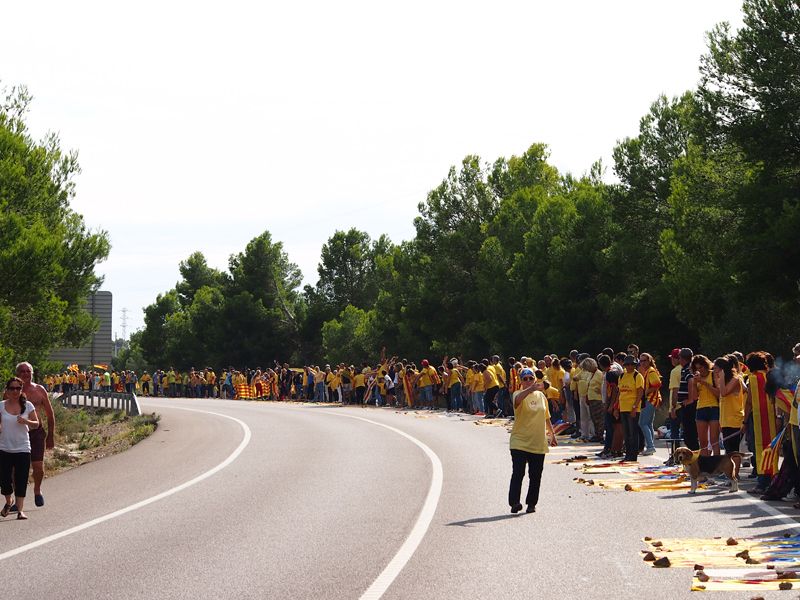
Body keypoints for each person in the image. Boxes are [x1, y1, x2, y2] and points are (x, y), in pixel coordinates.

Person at [508, 368, 557, 514]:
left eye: (531, 378)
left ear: (535, 379)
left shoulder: (541, 396)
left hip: (537, 441)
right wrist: (529, 390)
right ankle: (514, 502)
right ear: (521, 381)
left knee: (535, 475)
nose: (528, 381)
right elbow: (517, 402)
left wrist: (552, 434)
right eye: (525, 379)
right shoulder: (518, 394)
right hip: (520, 441)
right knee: (518, 473)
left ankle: (531, 503)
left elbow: (546, 416)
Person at [1, 377, 40, 520]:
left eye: (18, 388)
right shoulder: (1, 406)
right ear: (7, 390)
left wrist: (26, 421)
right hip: (4, 448)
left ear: (21, 390)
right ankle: (8, 501)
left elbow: (36, 424)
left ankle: (20, 510)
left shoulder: (28, 406)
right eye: (12, 388)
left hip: (23, 448)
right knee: (5, 480)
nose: (15, 391)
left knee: (21, 479)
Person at [15, 362, 52, 508]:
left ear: (32, 373)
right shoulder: (12, 390)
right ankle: (18, 498)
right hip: (18, 433)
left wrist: (51, 435)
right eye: (22, 371)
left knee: (38, 467)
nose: (25, 374)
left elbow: (50, 414)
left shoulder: (39, 390)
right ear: (18, 374)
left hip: (36, 433)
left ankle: (37, 490)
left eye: (28, 371)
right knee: (16, 469)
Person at [618, 355, 644, 462]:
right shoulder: (622, 376)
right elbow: (619, 392)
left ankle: (633, 455)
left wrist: (634, 407)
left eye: (631, 364)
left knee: (633, 432)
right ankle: (627, 454)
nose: (629, 366)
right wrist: (616, 407)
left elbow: (640, 392)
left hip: (633, 407)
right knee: (626, 433)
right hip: (623, 407)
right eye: (627, 364)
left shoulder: (637, 376)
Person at [638, 353, 661, 456]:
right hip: (651, 400)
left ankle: (650, 446)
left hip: (650, 400)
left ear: (649, 361)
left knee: (642, 423)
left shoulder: (651, 371)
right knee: (648, 423)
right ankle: (650, 446)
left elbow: (657, 384)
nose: (642, 363)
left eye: (644, 361)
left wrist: (646, 392)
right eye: (641, 361)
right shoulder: (648, 371)